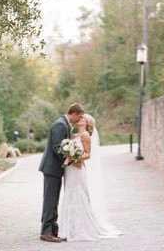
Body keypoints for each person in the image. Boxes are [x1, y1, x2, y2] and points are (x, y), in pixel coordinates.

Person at [59, 113, 123, 242]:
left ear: (86, 123)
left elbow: (88, 155)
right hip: (70, 170)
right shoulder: (74, 135)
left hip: (78, 169)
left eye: (82, 118)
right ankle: (70, 228)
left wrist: (73, 156)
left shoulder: (86, 136)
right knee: (69, 194)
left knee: (78, 195)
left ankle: (80, 228)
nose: (79, 118)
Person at [38, 103, 85, 243]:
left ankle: (53, 229)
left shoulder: (64, 124)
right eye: (80, 116)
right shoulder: (61, 125)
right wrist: (70, 158)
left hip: (55, 169)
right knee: (50, 200)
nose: (80, 119)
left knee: (53, 200)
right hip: (52, 168)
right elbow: (58, 147)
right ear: (74, 114)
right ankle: (46, 232)